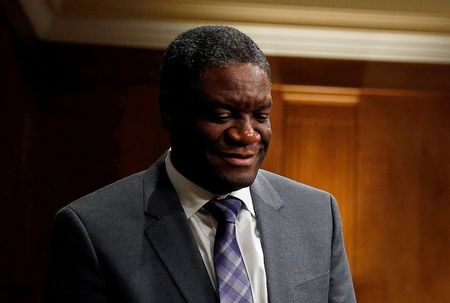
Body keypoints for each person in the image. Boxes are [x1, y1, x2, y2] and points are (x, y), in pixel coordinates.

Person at [42, 25, 356, 303]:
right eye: (222, 116)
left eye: (261, 116)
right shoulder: (94, 230)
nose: (246, 134)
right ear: (169, 111)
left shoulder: (317, 214)